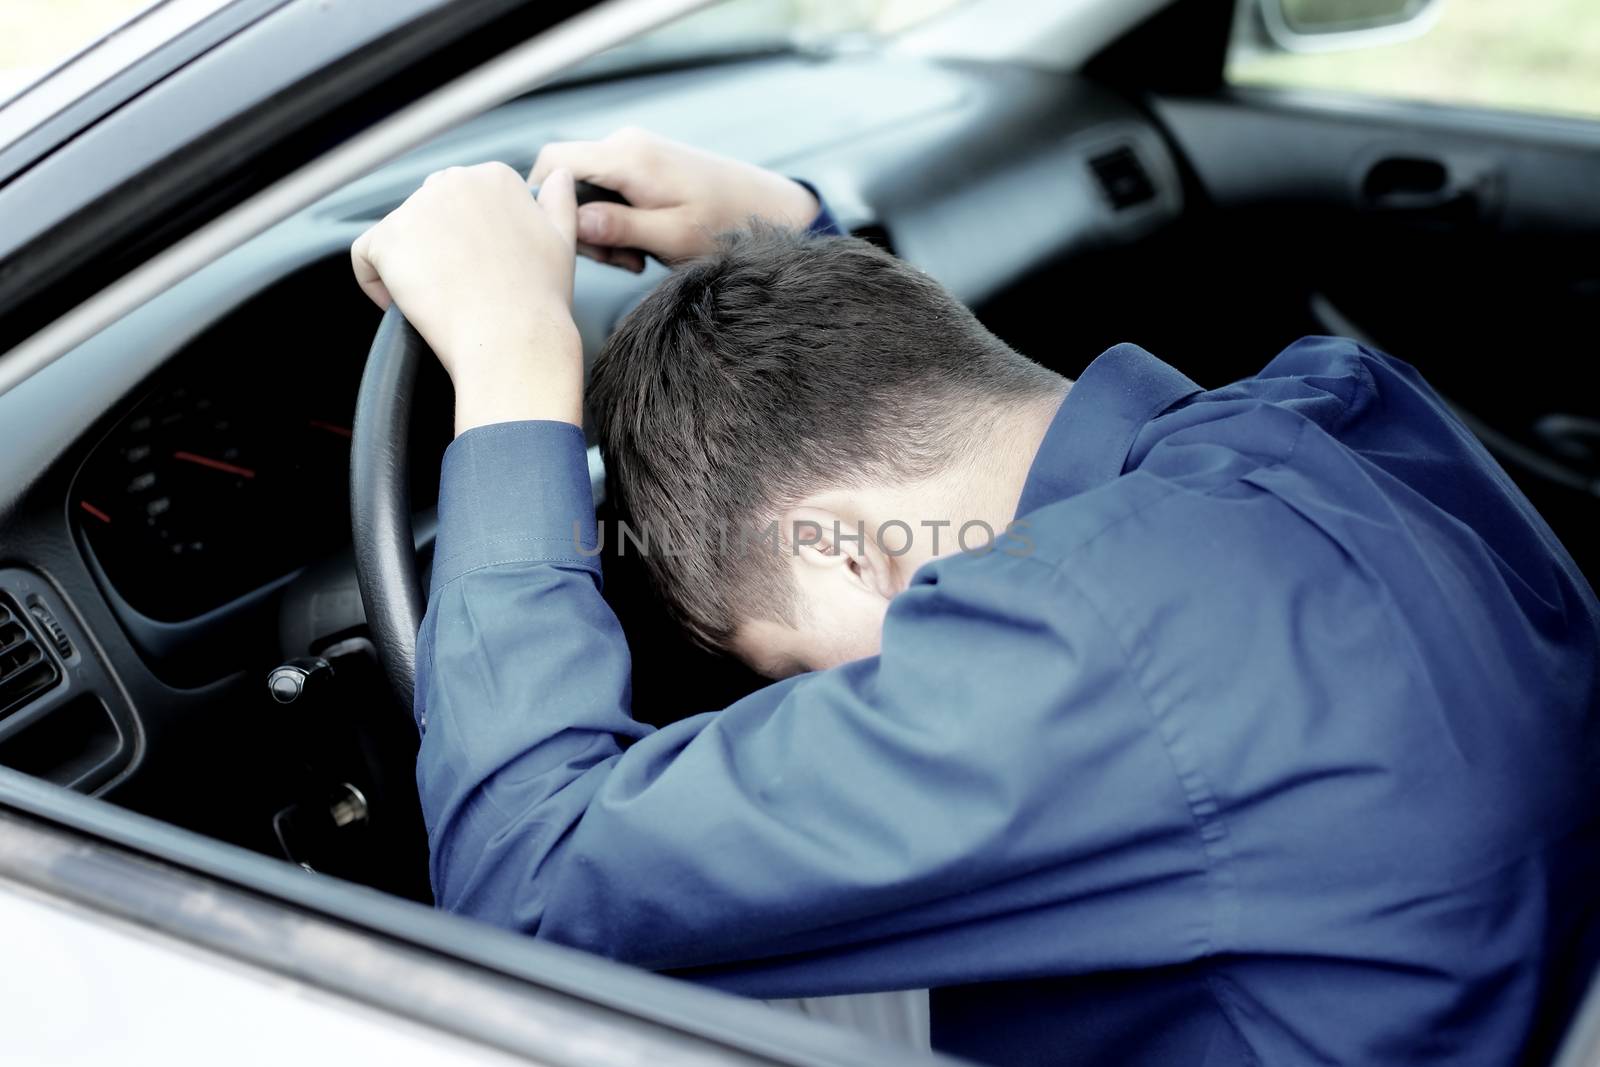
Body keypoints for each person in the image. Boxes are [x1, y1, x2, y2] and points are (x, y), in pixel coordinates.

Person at [350, 128, 1600, 1066]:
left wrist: (516, 374)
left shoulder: (1072, 643)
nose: (814, 700)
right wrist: (804, 235)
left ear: (845, 550)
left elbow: (526, 882)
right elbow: (929, 405)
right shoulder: (1326, 411)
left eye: (790, 667)